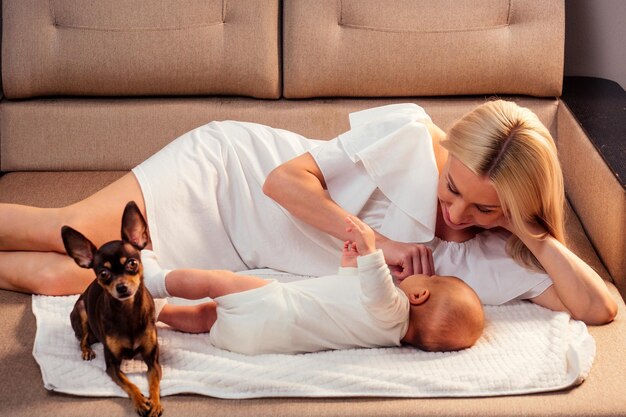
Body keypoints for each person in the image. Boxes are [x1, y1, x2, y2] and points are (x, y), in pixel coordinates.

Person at [0, 101, 617, 325]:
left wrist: (532, 231)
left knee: (66, 279)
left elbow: (599, 308)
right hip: (227, 179)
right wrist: (376, 241)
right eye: (451, 187)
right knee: (64, 227)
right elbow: (280, 181)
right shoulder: (408, 132)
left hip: (245, 255)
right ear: (449, 150)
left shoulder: (497, 254)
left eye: (485, 208)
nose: (455, 212)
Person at [144, 215, 484, 354]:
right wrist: (350, 264)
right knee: (207, 317)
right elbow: (351, 296)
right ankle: (159, 315)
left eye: (433, 278)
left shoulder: (394, 313)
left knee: (217, 283)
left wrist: (370, 249)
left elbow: (378, 290)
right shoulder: (383, 331)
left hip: (275, 307)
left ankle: (153, 283)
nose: (426, 274)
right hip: (256, 342)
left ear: (420, 294)